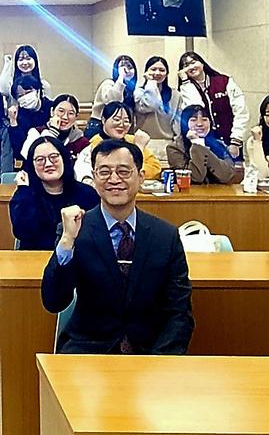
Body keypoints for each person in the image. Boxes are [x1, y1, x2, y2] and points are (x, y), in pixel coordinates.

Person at [41, 139, 194, 354]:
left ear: (141, 177)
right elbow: (53, 301)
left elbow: (179, 312)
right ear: (94, 178)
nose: (114, 179)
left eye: (123, 171)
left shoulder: (165, 236)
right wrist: (67, 241)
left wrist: (160, 360)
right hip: (89, 349)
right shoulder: (76, 230)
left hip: (150, 351)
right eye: (104, 172)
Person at [10, 136, 100, 251]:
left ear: (64, 159)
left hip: (79, 258)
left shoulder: (87, 193)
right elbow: (22, 233)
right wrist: (24, 190)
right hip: (35, 258)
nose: (48, 164)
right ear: (32, 165)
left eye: (54, 157)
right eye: (40, 160)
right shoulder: (25, 195)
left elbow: (96, 234)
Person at [176, 51, 247, 158]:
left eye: (193, 62)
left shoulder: (225, 82)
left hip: (231, 142)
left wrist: (236, 141)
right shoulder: (186, 89)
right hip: (205, 144)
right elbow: (197, 107)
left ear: (202, 63)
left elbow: (241, 111)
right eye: (186, 66)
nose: (191, 67)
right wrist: (185, 82)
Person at [74, 102, 163, 183]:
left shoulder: (132, 140)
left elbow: (155, 168)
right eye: (116, 120)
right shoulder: (95, 145)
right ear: (104, 120)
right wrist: (138, 148)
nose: (121, 124)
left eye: (126, 121)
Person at [165, 105, 240, 185]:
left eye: (204, 120)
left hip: (217, 192)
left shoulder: (219, 145)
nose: (200, 124)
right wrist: (197, 144)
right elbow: (195, 177)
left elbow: (227, 176)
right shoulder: (174, 148)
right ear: (184, 124)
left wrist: (205, 150)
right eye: (193, 120)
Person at [20, 94, 89, 163]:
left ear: (76, 116)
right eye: (61, 111)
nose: (65, 117)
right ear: (52, 111)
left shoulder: (81, 141)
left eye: (70, 113)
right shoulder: (36, 132)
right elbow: (27, 155)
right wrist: (53, 132)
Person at [91, 55, 140, 135]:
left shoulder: (133, 89)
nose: (126, 70)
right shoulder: (108, 84)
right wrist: (121, 77)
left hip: (121, 128)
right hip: (100, 127)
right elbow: (113, 102)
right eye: (122, 67)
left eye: (129, 67)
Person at [8, 75, 49, 163]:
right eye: (20, 96)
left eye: (28, 92)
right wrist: (13, 122)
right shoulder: (19, 115)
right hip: (28, 159)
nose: (25, 97)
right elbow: (18, 148)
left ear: (38, 91)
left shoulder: (51, 107)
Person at [136, 56, 176, 142]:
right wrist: (151, 82)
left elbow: (177, 123)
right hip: (143, 142)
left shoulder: (175, 95)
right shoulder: (139, 92)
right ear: (146, 72)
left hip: (168, 142)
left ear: (167, 73)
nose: (157, 73)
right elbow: (151, 105)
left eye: (162, 70)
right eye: (153, 69)